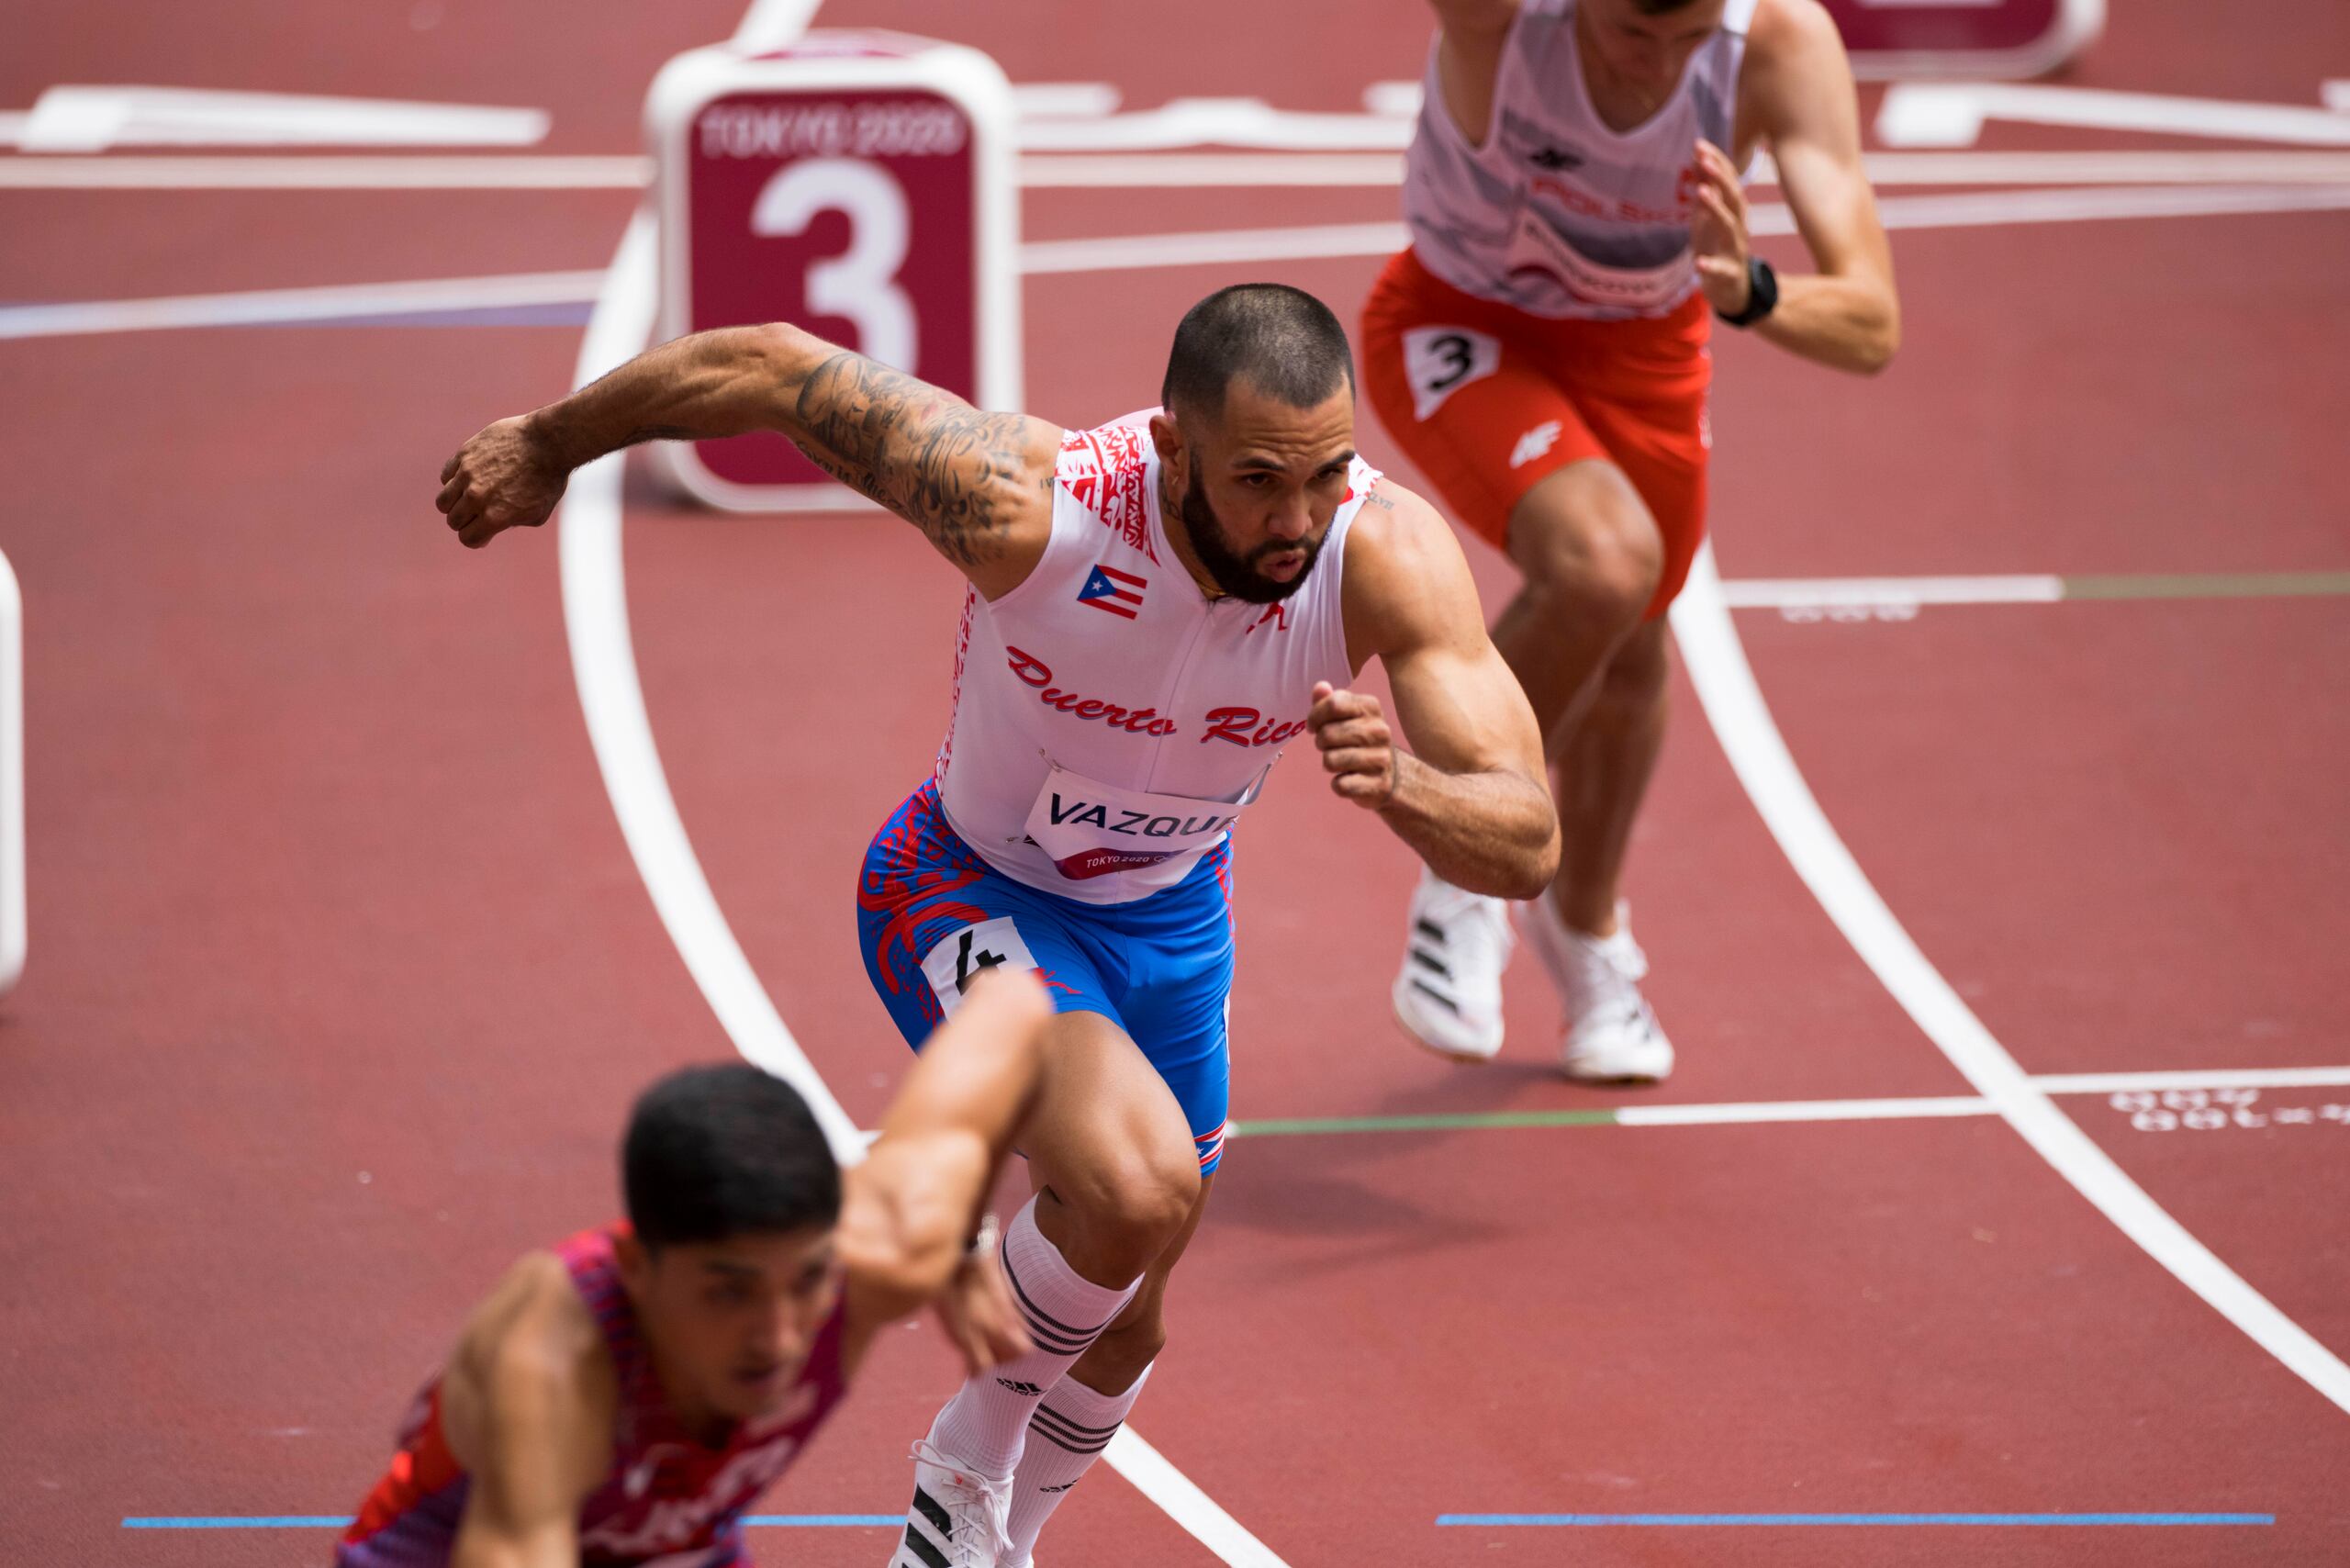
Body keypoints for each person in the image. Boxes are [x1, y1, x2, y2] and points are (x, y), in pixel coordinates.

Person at [433, 282, 1559, 1567]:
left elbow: (1527, 836)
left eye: (1326, 474)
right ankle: (955, 1488)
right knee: (1134, 1191)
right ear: (1174, 447)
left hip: (1174, 923)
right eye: (1258, 481)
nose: (1297, 520)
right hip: (965, 887)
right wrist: (548, 443)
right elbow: (768, 366)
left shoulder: (1381, 556)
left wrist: (1406, 787)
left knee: (1125, 1311)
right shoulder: (1036, 501)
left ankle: (999, 1540)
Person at [1362, 0, 1900, 1081]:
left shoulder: (1777, 44)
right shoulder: (1503, 21)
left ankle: (1588, 931)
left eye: (1683, 39)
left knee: (1631, 640)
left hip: (1648, 350)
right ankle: (1467, 866)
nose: (1652, 62)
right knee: (1603, 563)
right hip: (1464, 322)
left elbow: (1871, 322)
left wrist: (1749, 290)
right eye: (1626, 32)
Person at [334, 969, 1052, 1568]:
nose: (776, 1338)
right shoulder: (553, 1369)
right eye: (728, 1293)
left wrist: (959, 1241)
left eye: (804, 1284)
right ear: (635, 1268)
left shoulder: (873, 1255)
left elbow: (1011, 1005)